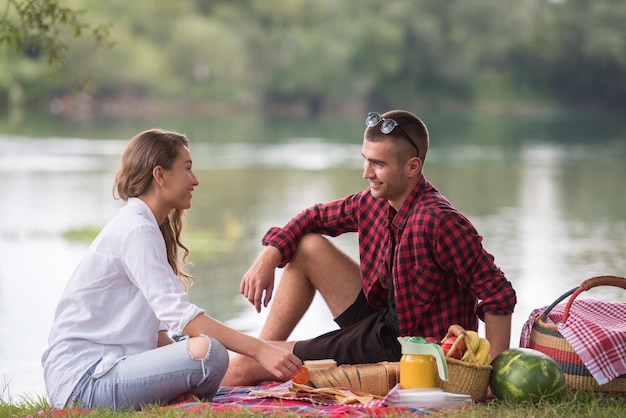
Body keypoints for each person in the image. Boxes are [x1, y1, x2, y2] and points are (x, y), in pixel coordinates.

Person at [222, 110, 517, 386]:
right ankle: (264, 354)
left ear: (412, 166)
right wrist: (268, 257)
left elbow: (498, 294)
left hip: (411, 349)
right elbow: (314, 216)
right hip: (378, 319)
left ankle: (256, 362)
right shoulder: (373, 202)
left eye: (378, 164)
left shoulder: (438, 221)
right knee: (307, 245)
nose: (366, 173)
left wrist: (490, 378)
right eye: (366, 159)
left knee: (244, 364)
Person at [41, 129, 302, 411]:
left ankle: (173, 398)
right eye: (187, 169)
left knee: (199, 344)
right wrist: (259, 349)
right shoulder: (136, 229)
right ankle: (175, 397)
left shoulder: (143, 225)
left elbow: (155, 333)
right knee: (210, 353)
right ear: (160, 175)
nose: (195, 180)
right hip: (85, 382)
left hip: (107, 371)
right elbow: (183, 317)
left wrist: (190, 349)